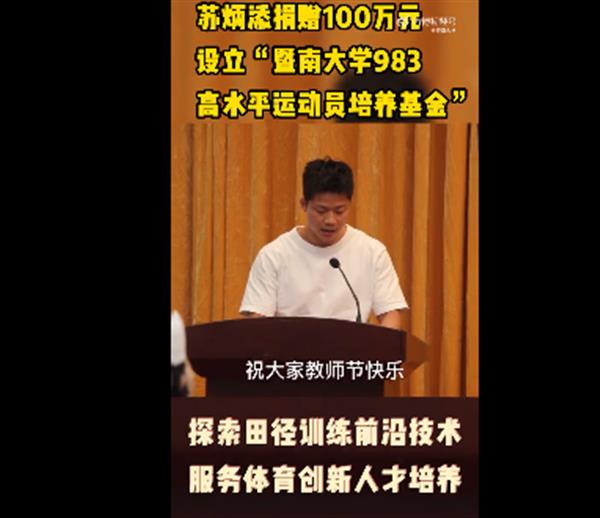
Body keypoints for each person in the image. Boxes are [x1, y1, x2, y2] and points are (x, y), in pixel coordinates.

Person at [239, 158, 408, 329]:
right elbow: (256, 321)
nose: (330, 220)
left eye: (339, 211)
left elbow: (390, 314)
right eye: (321, 210)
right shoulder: (274, 255)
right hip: (290, 346)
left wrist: (381, 345)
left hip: (352, 346)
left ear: (350, 205)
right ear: (304, 204)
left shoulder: (372, 252)